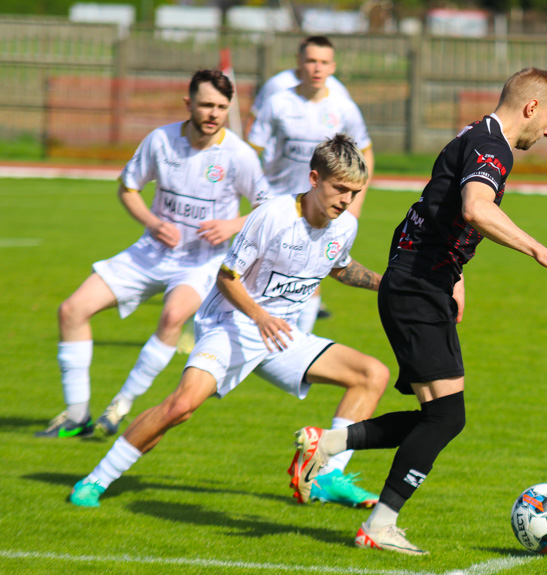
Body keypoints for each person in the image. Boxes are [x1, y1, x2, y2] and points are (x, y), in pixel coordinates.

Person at [290, 68, 547, 555]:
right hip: (417, 289)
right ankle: (378, 523)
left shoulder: (474, 134)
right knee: (446, 419)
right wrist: (542, 252)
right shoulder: (493, 148)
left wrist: (455, 276)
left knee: (440, 415)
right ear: (531, 108)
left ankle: (328, 445)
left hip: (422, 285)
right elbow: (475, 209)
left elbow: (430, 208)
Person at [69, 135, 388, 510]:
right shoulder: (272, 217)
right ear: (315, 179)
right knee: (181, 406)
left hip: (281, 335)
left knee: (371, 374)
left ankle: (324, 475)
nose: (347, 200)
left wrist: (389, 286)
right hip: (231, 326)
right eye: (340, 189)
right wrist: (260, 316)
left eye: (354, 192)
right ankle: (95, 480)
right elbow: (227, 277)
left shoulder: (344, 225)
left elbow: (339, 265)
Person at [37, 69, 270, 439]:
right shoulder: (160, 140)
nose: (214, 113)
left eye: (222, 107)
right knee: (72, 309)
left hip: (202, 261)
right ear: (188, 103)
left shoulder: (238, 155)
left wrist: (231, 225)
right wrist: (153, 222)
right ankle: (77, 413)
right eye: (207, 104)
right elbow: (128, 189)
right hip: (151, 251)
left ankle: (121, 405)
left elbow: (266, 208)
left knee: (173, 315)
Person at [247, 35, 375, 334]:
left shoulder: (343, 108)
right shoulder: (278, 103)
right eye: (311, 61)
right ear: (298, 63)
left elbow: (365, 152)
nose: (317, 68)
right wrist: (259, 198)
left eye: (323, 62)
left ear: (333, 66)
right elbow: (251, 152)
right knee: (258, 272)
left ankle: (296, 342)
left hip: (320, 208)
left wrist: (356, 202)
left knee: (311, 275)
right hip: (279, 203)